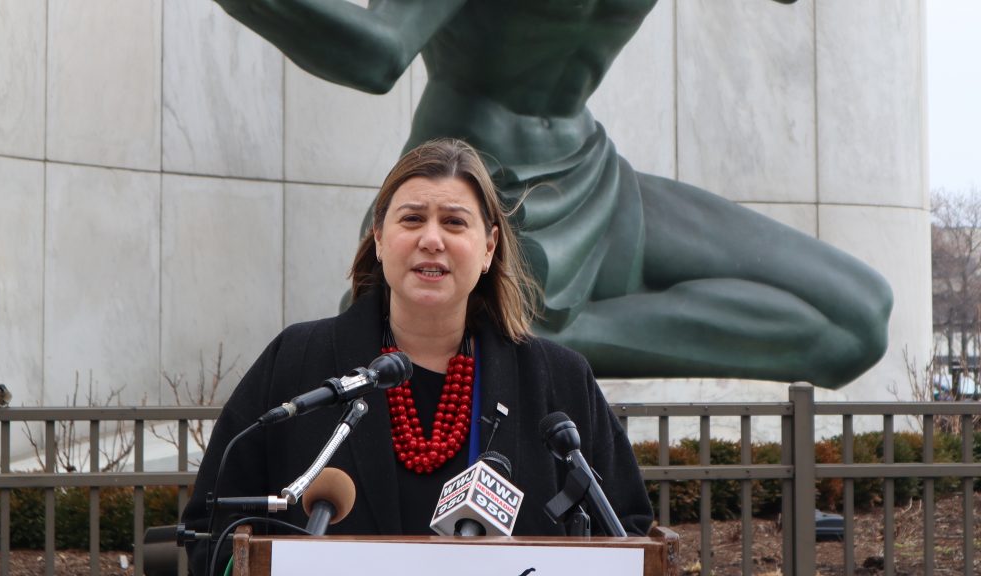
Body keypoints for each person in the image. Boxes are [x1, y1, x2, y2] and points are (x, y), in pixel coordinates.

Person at [210, 0, 893, 390]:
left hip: (594, 172)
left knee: (854, 322)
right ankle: (471, 317)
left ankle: (514, 330)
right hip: (480, 188)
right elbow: (376, 52)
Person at [181, 139, 655, 575]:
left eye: (454, 221)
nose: (432, 238)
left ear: (488, 247)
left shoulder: (558, 379)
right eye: (412, 219)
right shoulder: (298, 361)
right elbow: (212, 528)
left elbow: (629, 533)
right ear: (380, 238)